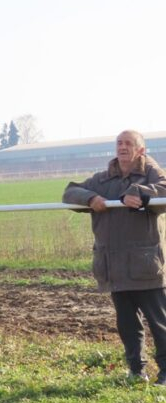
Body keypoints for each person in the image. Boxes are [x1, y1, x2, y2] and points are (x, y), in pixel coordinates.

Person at [63, 130, 166, 386]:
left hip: (145, 266)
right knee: (127, 325)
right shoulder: (102, 180)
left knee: (159, 323)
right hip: (114, 267)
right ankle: (136, 370)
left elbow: (163, 189)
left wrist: (142, 193)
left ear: (140, 150)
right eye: (119, 143)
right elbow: (69, 192)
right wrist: (92, 198)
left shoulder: (151, 173)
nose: (122, 147)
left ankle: (165, 371)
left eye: (128, 143)